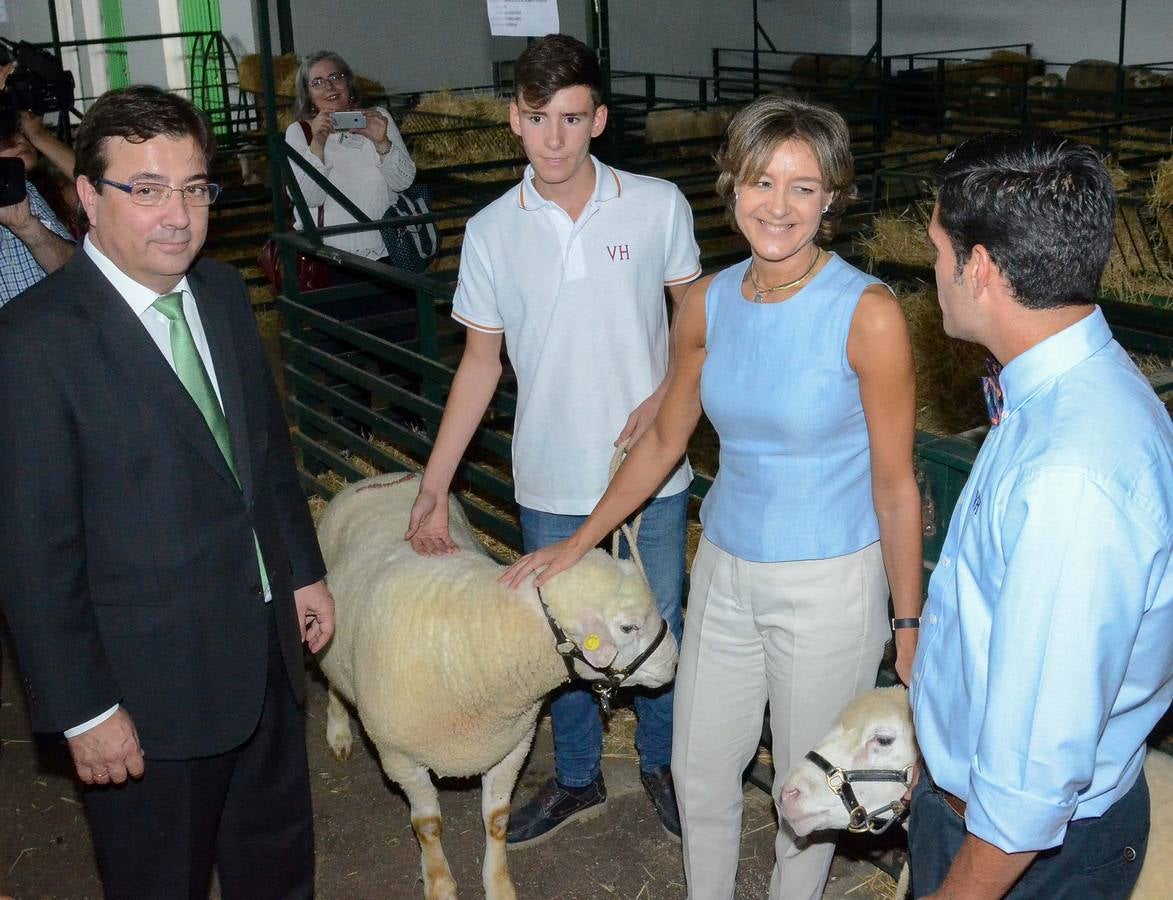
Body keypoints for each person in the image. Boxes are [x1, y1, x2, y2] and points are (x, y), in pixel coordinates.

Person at [502, 94, 923, 899]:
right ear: (731, 186)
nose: (780, 205)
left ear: (831, 198)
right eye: (763, 181)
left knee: (806, 792)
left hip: (829, 581)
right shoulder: (707, 301)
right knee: (699, 768)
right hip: (725, 566)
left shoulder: (866, 313)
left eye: (804, 187)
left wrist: (907, 624)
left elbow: (895, 481)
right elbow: (664, 438)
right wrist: (581, 539)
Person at [0, 85, 335, 899]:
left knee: (278, 866)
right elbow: (32, 552)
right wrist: (83, 711)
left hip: (262, 658)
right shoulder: (32, 344)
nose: (178, 215)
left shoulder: (220, 295)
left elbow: (265, 453)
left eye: (193, 187)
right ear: (85, 194)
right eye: (145, 190)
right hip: (147, 695)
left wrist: (299, 568)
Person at [405, 34, 701, 846]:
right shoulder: (493, 229)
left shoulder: (655, 204)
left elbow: (695, 318)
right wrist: (434, 484)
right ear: (513, 119)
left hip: (647, 471)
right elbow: (479, 362)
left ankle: (661, 763)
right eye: (538, 118)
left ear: (598, 118)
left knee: (655, 622)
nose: (555, 138)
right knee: (559, 638)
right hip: (547, 472)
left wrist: (668, 391)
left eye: (572, 118)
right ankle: (575, 778)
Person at [907, 131, 1172, 899]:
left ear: (980, 267)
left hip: (1022, 863)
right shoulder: (1074, 384)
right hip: (991, 820)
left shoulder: (1070, 477)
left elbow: (1031, 776)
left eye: (935, 249)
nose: (933, 272)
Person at [0, 126, 74, 305]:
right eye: (6, 136)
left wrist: (26, 227)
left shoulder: (26, 191)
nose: (20, 141)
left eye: (25, 135)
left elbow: (79, 275)